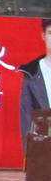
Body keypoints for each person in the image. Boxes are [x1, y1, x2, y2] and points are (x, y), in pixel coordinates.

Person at [17, 17, 51, 152]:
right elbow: (26, 114)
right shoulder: (31, 72)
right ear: (43, 36)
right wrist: (29, 152)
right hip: (43, 144)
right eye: (50, 33)